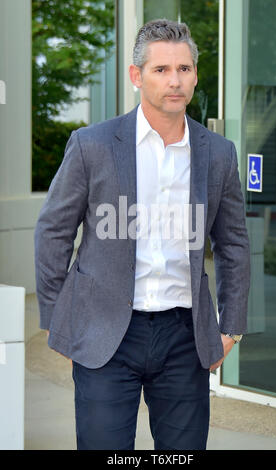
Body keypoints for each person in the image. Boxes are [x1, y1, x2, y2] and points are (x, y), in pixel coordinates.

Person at [34, 19, 250, 451]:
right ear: (137, 76)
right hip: (105, 335)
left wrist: (231, 327)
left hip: (184, 337)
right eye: (162, 69)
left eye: (184, 69)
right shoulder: (91, 145)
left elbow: (234, 244)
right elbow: (53, 231)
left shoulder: (219, 153)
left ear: (194, 75)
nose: (175, 80)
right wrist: (60, 319)